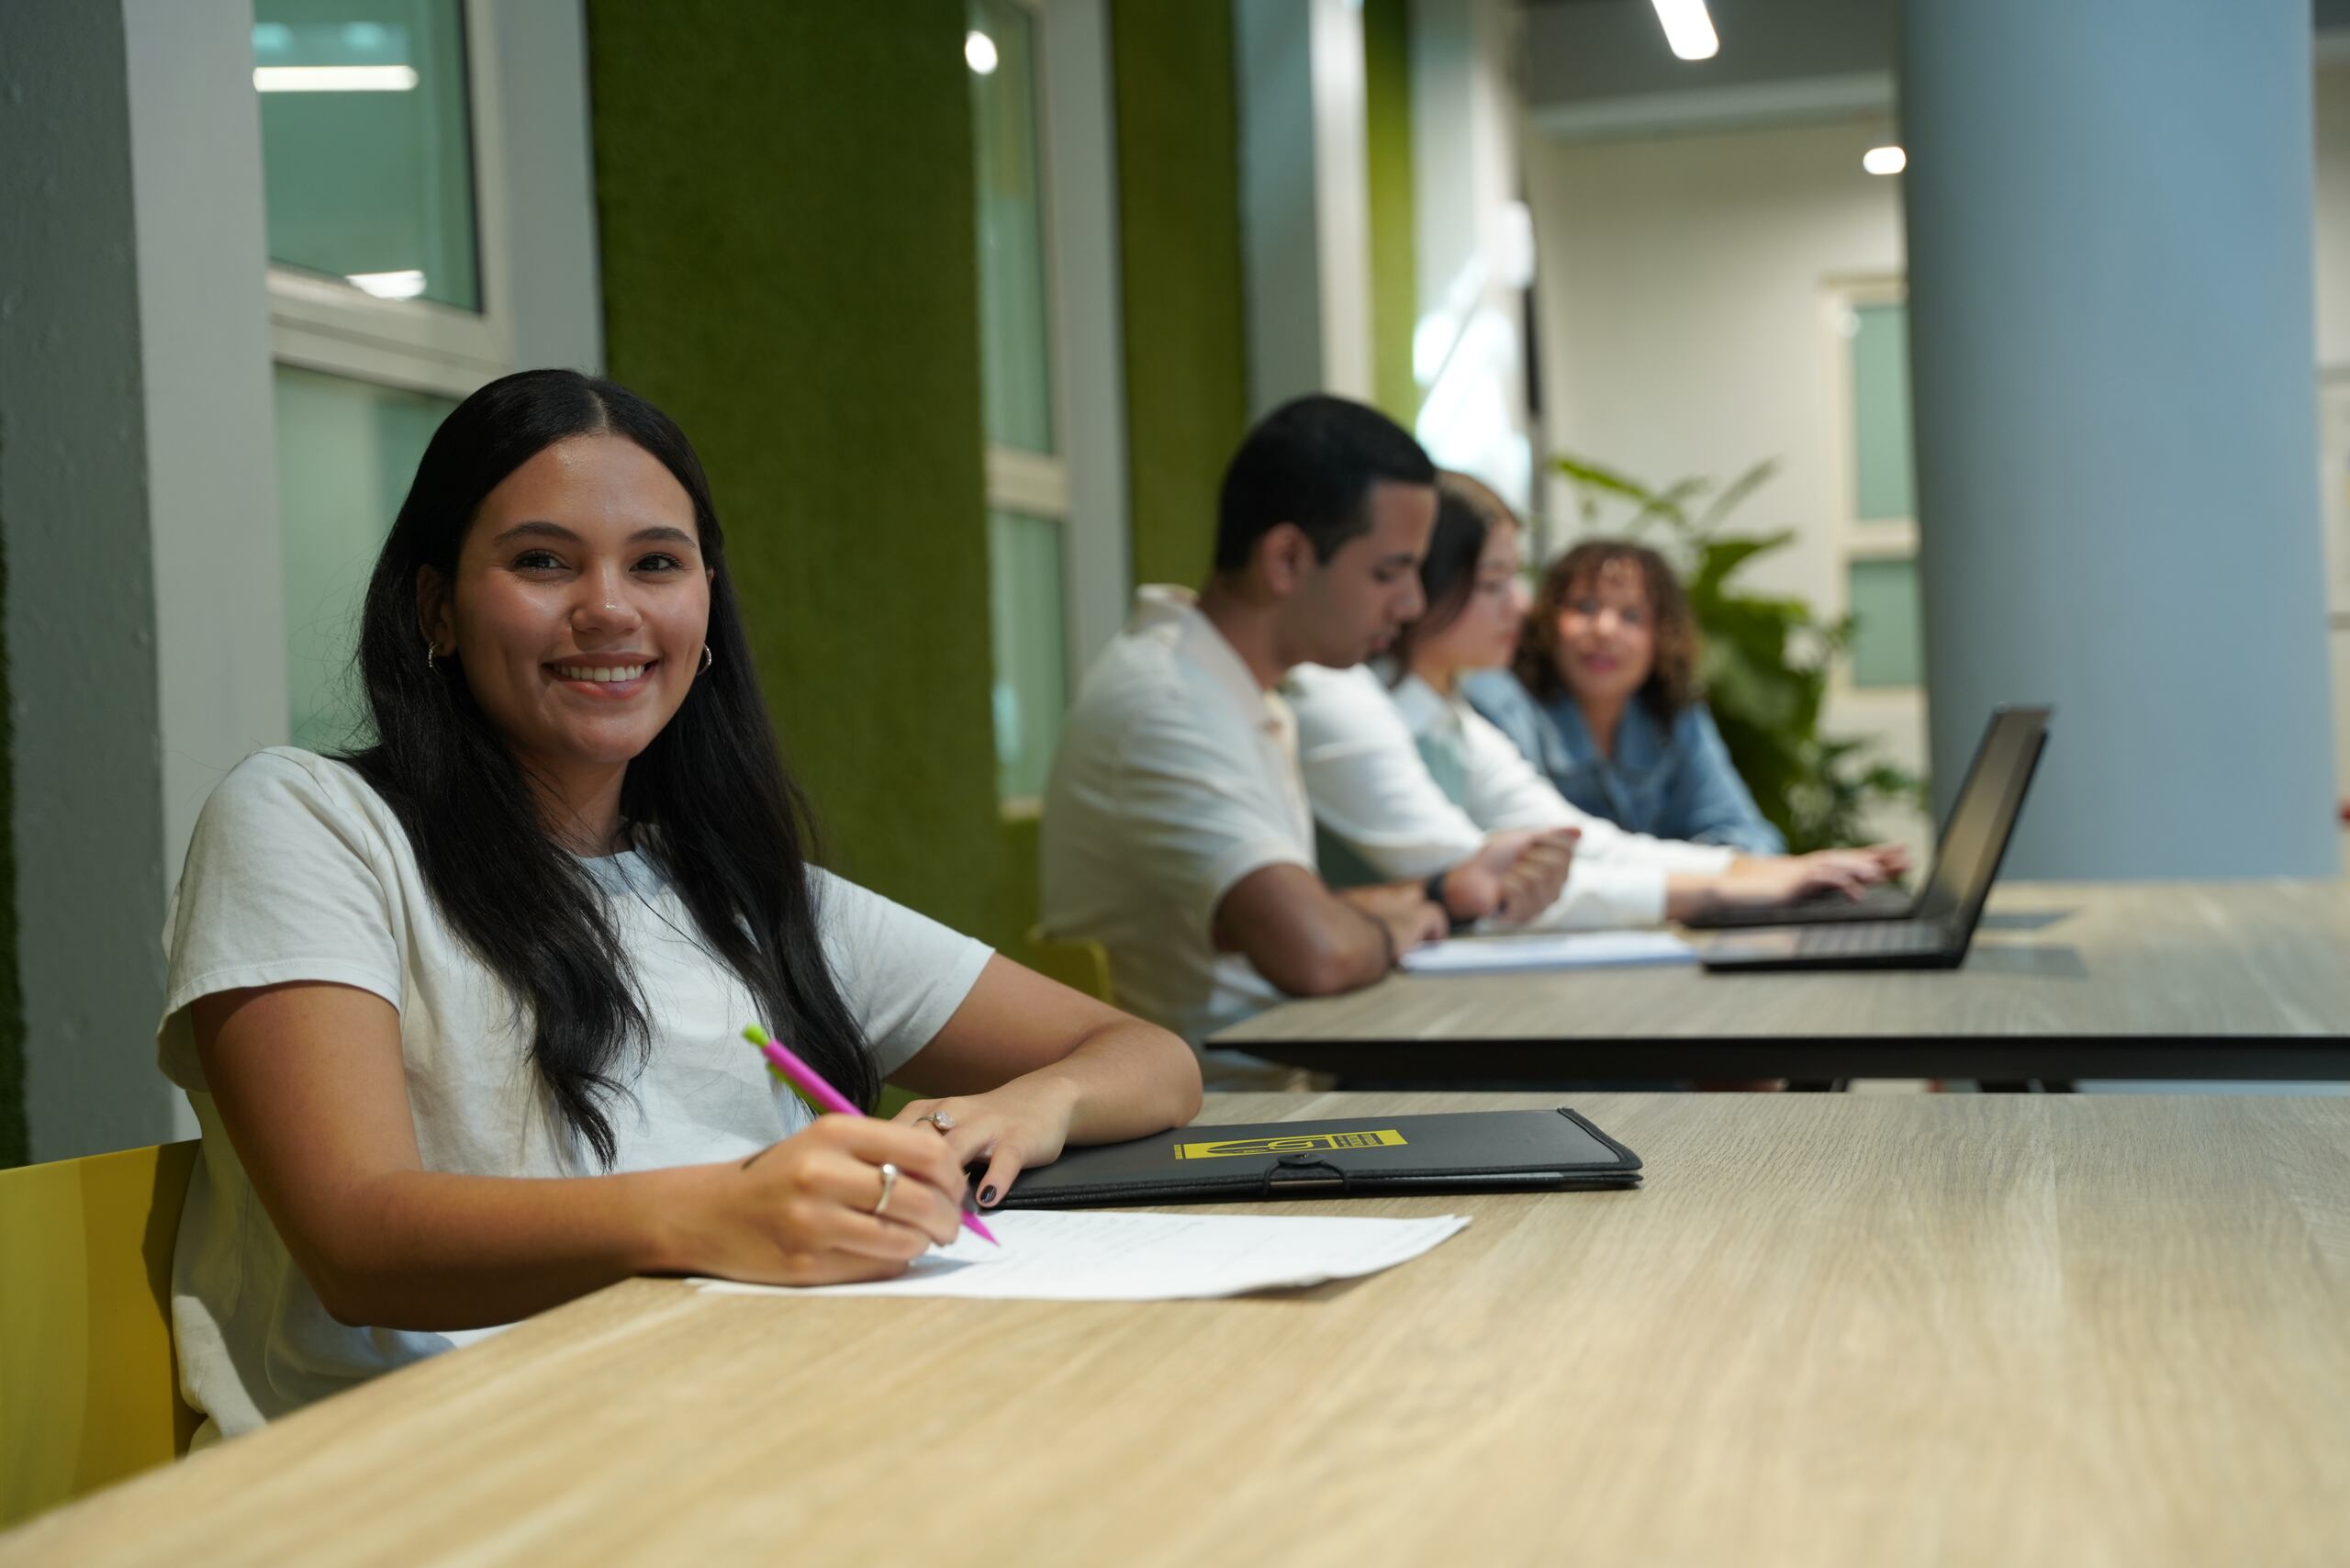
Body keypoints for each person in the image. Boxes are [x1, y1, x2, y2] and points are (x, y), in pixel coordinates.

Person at [160, 370, 1202, 1439]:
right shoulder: (310, 821)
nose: (608, 607)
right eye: (541, 561)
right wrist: (728, 1209)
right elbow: (359, 1242)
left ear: (706, 609)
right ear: (437, 607)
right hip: (415, 1470)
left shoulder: (740, 893)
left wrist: (1038, 1104)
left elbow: (1149, 1056)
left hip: (731, 1425)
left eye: (656, 562)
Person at [1038, 398, 1576, 1066]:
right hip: (1209, 1120)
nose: (1410, 604)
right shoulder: (1169, 705)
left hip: (1264, 1083)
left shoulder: (1232, 689)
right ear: (1287, 558)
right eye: (1390, 571)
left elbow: (1270, 918)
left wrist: (1442, 893)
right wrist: (1410, 920)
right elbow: (1315, 953)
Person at [1290, 473, 1904, 926]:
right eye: (1494, 583)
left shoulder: (1452, 719)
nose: (1522, 605)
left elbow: (1581, 840)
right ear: (1428, 585)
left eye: (1631, 616)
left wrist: (1768, 873)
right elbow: (1478, 881)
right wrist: (1727, 887)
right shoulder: (1353, 698)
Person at [1462, 529, 1786, 855]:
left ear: (1662, 636)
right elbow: (1519, 852)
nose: (1605, 630)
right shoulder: (1498, 705)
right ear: (1548, 620)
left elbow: (1750, 837)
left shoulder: (1672, 712)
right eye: (1585, 607)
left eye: (1631, 616)